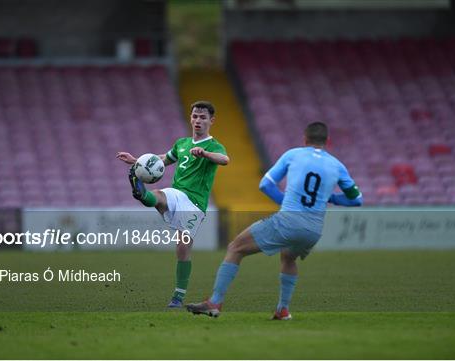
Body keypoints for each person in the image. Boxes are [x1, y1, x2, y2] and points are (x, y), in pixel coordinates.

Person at [186, 121, 362, 319]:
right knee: (288, 257)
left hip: (289, 220)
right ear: (327, 141)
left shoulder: (293, 154)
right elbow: (356, 200)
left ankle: (214, 302)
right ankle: (283, 309)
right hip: (313, 230)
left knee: (235, 248)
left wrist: (285, 201)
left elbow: (266, 185)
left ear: (304, 139)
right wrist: (332, 198)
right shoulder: (337, 166)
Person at [116, 101, 229, 308]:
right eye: (195, 116)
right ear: (191, 118)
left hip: (195, 203)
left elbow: (225, 160)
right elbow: (161, 161)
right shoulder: (182, 143)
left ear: (211, 121)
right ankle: (140, 193)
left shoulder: (213, 146)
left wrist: (205, 154)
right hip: (177, 193)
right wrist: (136, 161)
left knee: (183, 247)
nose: (197, 120)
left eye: (203, 117)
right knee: (158, 195)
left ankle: (178, 296)